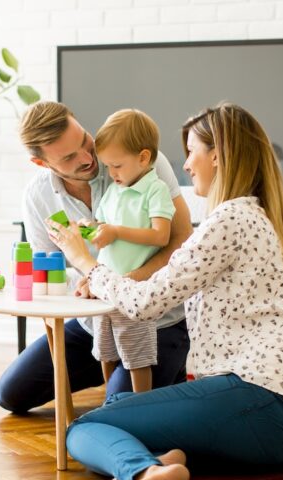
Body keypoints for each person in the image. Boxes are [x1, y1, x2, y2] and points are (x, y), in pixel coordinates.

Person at [47, 102, 283, 480]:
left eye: (192, 151)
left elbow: (144, 304)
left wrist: (86, 262)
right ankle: (163, 460)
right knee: (121, 401)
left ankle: (144, 470)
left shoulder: (227, 220)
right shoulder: (260, 215)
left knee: (81, 430)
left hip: (260, 401)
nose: (186, 164)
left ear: (219, 155)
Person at [0, 101, 193, 413]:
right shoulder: (38, 197)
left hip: (154, 321)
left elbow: (181, 239)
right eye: (69, 157)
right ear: (41, 163)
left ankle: (162, 371)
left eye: (85, 141)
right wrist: (87, 287)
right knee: (11, 394)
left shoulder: (140, 160)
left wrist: (117, 285)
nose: (89, 158)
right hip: (93, 322)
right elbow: (51, 270)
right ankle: (119, 375)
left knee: (120, 407)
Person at [87, 109, 175, 393]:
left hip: (135, 293)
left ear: (144, 158)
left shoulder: (155, 190)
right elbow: (101, 227)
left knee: (138, 356)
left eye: (117, 166)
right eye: (108, 167)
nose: (111, 174)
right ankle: (110, 403)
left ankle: (141, 405)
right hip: (106, 289)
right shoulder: (114, 190)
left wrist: (116, 231)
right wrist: (86, 229)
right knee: (106, 351)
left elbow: (161, 236)